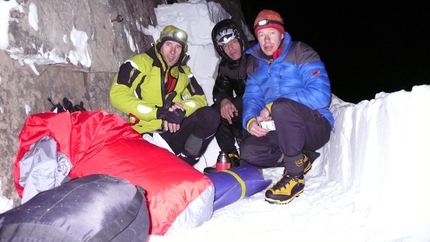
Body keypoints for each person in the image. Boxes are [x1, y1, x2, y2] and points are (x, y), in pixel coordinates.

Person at [240, 10, 335, 205]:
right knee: (249, 151)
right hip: (282, 129)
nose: (267, 40)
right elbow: (251, 98)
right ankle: (301, 157)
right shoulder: (254, 64)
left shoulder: (301, 52)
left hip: (314, 125)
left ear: (281, 34)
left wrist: (273, 106)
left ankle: (294, 175)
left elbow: (321, 95)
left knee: (282, 107)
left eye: (271, 33)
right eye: (261, 35)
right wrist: (250, 121)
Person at [110, 25, 220, 166]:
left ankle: (185, 163)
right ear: (160, 45)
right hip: (145, 135)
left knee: (210, 116)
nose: (173, 51)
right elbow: (118, 95)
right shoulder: (139, 63)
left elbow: (200, 99)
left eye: (178, 47)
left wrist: (181, 110)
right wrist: (158, 112)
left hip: (172, 132)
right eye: (168, 44)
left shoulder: (184, 73)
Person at [203, 19, 251, 173]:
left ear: (241, 39)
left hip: (266, 108)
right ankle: (230, 156)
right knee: (216, 111)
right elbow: (220, 90)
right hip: (244, 107)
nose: (231, 48)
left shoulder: (257, 54)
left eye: (233, 42)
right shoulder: (226, 67)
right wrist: (223, 100)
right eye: (224, 46)